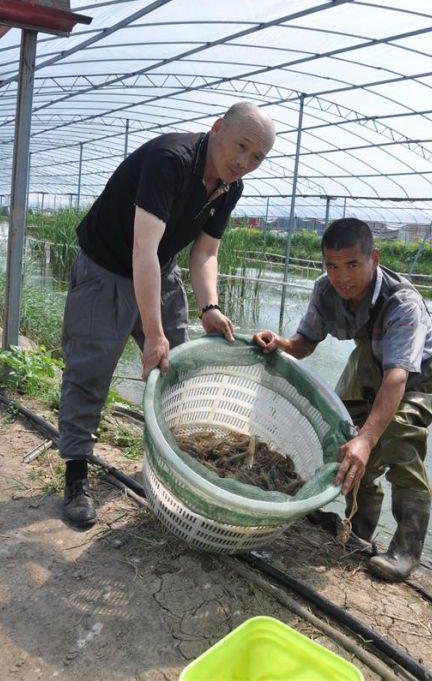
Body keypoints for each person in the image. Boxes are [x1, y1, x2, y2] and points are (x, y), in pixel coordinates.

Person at [59, 102, 276, 528]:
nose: (244, 163)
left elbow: (205, 252)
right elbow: (142, 249)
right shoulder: (170, 160)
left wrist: (209, 307)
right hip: (107, 270)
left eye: (257, 157)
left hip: (159, 270)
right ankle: (76, 472)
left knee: (178, 369)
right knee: (90, 371)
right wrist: (153, 332)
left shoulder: (230, 188)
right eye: (241, 147)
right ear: (217, 129)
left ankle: (170, 465)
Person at [253, 218, 432, 581]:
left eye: (352, 265)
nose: (342, 277)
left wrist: (368, 438)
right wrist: (281, 343)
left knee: (398, 440)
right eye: (332, 266)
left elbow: (396, 377)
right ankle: (358, 530)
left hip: (416, 372)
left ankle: (407, 551)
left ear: (373, 258)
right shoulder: (325, 291)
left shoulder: (402, 304)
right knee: (344, 432)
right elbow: (305, 342)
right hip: (368, 359)